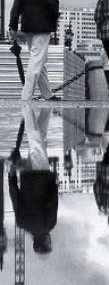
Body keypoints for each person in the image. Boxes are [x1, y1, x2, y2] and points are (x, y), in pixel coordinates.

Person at [8, 0, 59, 101]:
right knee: (37, 59)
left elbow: (17, 3)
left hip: (28, 24)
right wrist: (54, 18)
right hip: (43, 24)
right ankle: (26, 96)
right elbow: (53, 2)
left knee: (39, 58)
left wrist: (12, 25)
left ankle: (47, 94)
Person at [9, 105, 58, 254]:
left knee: (36, 142)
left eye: (49, 243)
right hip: (27, 178)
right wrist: (11, 176)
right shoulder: (22, 223)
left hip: (42, 177)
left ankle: (26, 107)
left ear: (44, 242)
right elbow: (15, 198)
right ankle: (47, 107)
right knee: (40, 139)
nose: (51, 240)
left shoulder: (49, 224)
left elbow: (52, 201)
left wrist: (54, 181)